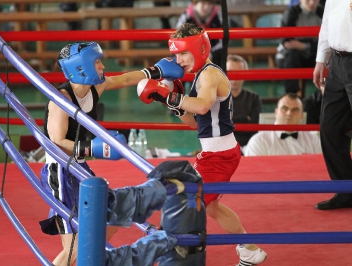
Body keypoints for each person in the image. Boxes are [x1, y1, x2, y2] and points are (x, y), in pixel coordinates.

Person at [39, 42, 183, 266]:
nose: (102, 66)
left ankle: (91, 252)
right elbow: (56, 142)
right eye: (96, 61)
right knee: (73, 250)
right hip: (60, 172)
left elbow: (125, 79)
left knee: (113, 216)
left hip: (79, 169)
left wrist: (157, 71)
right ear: (82, 67)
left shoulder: (95, 88)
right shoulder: (61, 100)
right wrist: (94, 149)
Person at [137, 23, 267, 266]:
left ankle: (165, 255)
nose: (179, 60)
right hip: (216, 152)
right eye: (176, 54)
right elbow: (195, 123)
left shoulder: (209, 75)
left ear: (201, 49)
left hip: (219, 155)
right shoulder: (200, 75)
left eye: (184, 53)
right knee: (212, 207)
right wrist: (169, 103)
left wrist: (170, 95)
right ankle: (250, 250)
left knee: (185, 203)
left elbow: (203, 106)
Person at [313, 0, 352, 211]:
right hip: (337, 61)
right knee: (330, 127)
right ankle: (346, 190)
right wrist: (321, 59)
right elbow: (328, 19)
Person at [244, 93, 322, 156]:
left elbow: (321, 169)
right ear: (276, 112)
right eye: (284, 109)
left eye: (295, 110)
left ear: (302, 116)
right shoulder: (259, 141)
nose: (289, 113)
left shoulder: (313, 140)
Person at [275, 0, 324, 95]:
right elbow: (285, 41)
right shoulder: (292, 12)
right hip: (292, 57)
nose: (311, 3)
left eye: (315, 0)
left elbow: (328, 41)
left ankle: (326, 95)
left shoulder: (322, 12)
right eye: (308, 0)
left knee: (328, 56)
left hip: (314, 55)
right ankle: (291, 96)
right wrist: (312, 44)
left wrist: (303, 45)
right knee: (291, 56)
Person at [227, 54, 262, 151]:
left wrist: (229, 120)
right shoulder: (215, 98)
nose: (235, 76)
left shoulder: (254, 98)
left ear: (245, 74)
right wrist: (244, 118)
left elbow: (255, 127)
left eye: (239, 72)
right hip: (222, 146)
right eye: (231, 72)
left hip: (249, 147)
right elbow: (216, 125)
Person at [175, 0, 223, 66]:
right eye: (203, 3)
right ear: (195, 2)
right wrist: (194, 55)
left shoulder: (218, 17)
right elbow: (178, 41)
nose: (206, 7)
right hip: (190, 57)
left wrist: (211, 54)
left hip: (213, 58)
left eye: (210, 4)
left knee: (222, 55)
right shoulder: (185, 17)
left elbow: (222, 41)